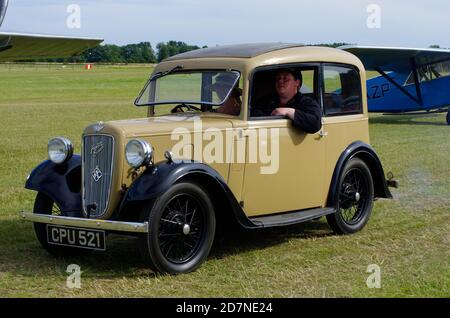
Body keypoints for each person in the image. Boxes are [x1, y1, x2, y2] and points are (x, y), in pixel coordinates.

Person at [251, 68, 322, 133]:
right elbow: (252, 114)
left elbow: (315, 123)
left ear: (297, 82)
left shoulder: (306, 102)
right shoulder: (266, 101)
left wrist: (289, 112)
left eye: (285, 78)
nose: (280, 81)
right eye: (278, 78)